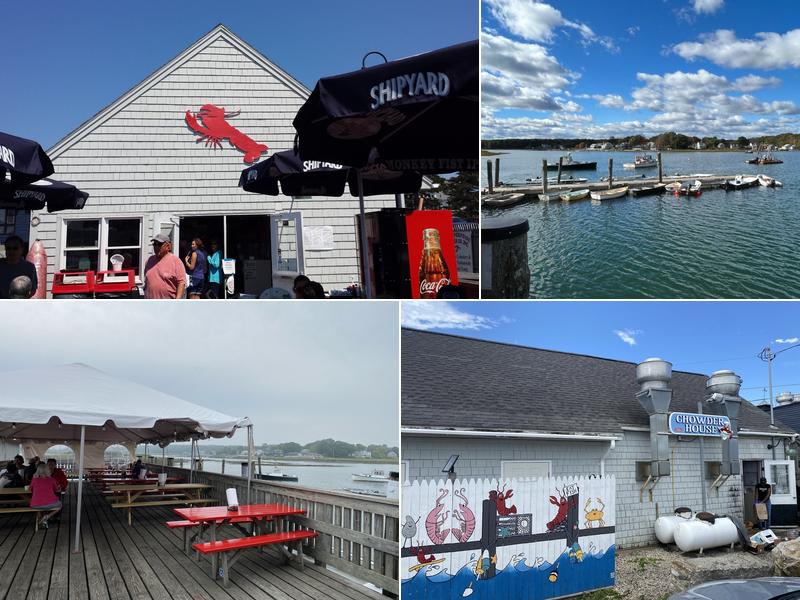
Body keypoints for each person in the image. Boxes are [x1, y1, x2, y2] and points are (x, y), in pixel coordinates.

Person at [144, 234, 186, 299]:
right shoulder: (149, 260)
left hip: (168, 304)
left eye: (159, 244)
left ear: (168, 246)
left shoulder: (176, 261)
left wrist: (177, 302)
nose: (156, 247)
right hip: (150, 304)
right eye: (154, 244)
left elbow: (181, 283)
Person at [29, 463, 62, 529]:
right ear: (48, 470)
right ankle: (47, 517)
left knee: (40, 506)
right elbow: (57, 490)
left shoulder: (34, 480)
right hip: (50, 504)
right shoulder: (52, 479)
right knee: (59, 505)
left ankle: (41, 518)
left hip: (35, 505)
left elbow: (30, 489)